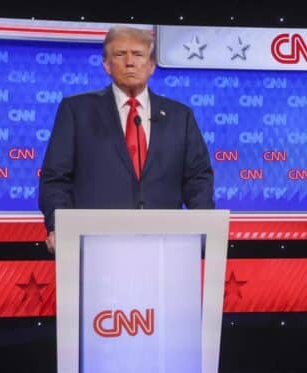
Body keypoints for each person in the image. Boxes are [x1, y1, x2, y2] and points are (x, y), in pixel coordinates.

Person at [39, 26, 214, 252]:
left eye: (138, 54)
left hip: (165, 246)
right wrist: (59, 226)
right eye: (120, 54)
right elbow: (56, 177)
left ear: (151, 66)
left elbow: (198, 177)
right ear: (106, 65)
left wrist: (204, 226)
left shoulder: (180, 116)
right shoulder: (77, 110)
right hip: (96, 245)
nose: (130, 62)